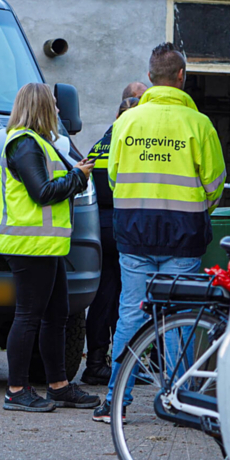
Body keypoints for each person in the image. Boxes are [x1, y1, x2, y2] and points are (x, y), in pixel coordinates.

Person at [93, 44, 226, 423]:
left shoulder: (126, 123)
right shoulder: (199, 125)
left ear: (150, 78)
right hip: (183, 236)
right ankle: (179, 398)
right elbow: (215, 184)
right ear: (181, 77)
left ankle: (115, 400)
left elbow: (115, 178)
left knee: (132, 316)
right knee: (179, 317)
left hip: (134, 233)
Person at [0, 82, 102, 412]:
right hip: (29, 245)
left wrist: (77, 171)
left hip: (45, 245)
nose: (57, 110)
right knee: (28, 316)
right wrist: (78, 178)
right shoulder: (24, 145)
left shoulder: (38, 143)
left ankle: (58, 386)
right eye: (53, 105)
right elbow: (41, 192)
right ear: (40, 107)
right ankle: (16, 390)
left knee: (57, 315)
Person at [81, 84, 146, 385]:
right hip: (124, 226)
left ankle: (95, 362)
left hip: (99, 227)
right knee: (127, 299)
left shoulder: (101, 142)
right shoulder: (132, 140)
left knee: (103, 297)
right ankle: (127, 365)